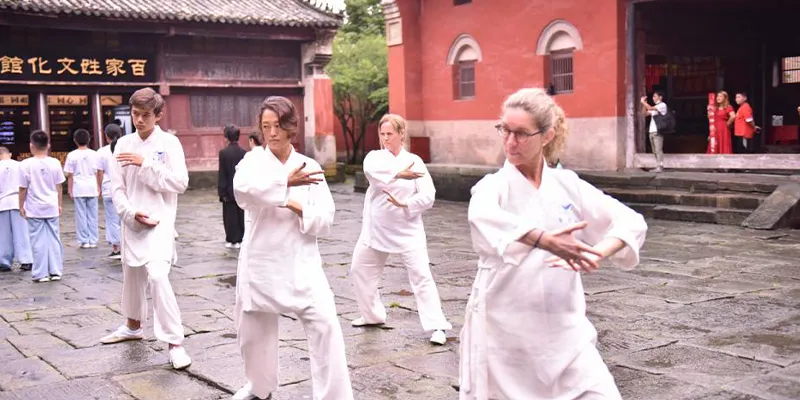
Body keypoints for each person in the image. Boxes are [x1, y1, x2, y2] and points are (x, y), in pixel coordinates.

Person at [460, 88, 647, 400]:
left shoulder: (567, 185)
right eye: (505, 130)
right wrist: (544, 240)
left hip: (565, 329)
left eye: (521, 133)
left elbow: (630, 221)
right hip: (506, 333)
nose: (510, 141)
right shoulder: (492, 187)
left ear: (546, 136)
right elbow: (482, 215)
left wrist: (596, 252)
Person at [231, 96, 353, 400]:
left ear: (290, 128)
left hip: (301, 261)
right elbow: (242, 192)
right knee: (253, 334)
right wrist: (284, 182)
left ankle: (334, 395)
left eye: (278, 126)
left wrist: (301, 209)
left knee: (326, 326)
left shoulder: (310, 167)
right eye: (265, 126)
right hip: (261, 259)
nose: (271, 133)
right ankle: (259, 387)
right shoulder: (252, 161)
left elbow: (326, 218)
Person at [99, 87, 192, 371]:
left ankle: (175, 342)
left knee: (159, 276)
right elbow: (117, 189)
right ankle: (132, 325)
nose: (139, 120)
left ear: (159, 115)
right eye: (135, 114)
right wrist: (129, 213)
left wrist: (147, 164)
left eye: (145, 115)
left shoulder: (170, 143)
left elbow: (180, 183)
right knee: (132, 276)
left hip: (161, 222)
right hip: (133, 220)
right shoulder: (123, 144)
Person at [349, 113, 451, 345]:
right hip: (376, 227)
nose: (386, 139)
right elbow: (373, 175)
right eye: (382, 134)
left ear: (401, 134)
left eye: (390, 134)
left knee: (422, 276)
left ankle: (437, 326)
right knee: (359, 271)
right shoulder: (374, 157)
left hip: (408, 230)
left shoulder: (415, 161)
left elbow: (429, 195)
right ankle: (372, 315)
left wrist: (407, 203)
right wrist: (397, 174)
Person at [18, 131, 67, 283]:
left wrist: (21, 205)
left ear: (31, 146)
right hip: (51, 205)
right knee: (54, 238)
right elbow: (59, 186)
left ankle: (40, 273)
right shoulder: (55, 163)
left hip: (34, 207)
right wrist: (59, 204)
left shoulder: (25, 164)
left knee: (37, 240)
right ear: (48, 146)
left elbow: (22, 188)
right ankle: (55, 270)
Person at [64, 128, 101, 249]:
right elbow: (98, 172)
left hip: (78, 187)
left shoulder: (72, 155)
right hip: (92, 186)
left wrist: (69, 189)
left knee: (80, 215)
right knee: (93, 214)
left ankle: (84, 240)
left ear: (75, 140)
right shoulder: (94, 154)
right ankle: (93, 239)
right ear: (89, 139)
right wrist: (99, 186)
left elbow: (70, 175)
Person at [0, 147, 33, 272]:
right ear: (10, 154)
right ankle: (26, 260)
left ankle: (4, 261)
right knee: (22, 232)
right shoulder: (20, 165)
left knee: (3, 234)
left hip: (2, 202)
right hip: (18, 201)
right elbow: (26, 184)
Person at [218, 124, 247, 249]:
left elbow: (222, 173)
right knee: (241, 214)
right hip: (241, 188)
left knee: (230, 216)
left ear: (227, 137)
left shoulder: (223, 153)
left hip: (229, 189)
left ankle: (232, 239)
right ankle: (242, 238)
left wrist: (222, 192)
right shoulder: (244, 153)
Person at [97, 124, 123, 259]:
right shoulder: (125, 149)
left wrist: (99, 188)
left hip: (108, 188)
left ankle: (116, 247)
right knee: (123, 218)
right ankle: (126, 245)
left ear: (106, 135)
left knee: (112, 219)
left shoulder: (101, 152)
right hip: (124, 188)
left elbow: (100, 173)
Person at [640, 91, 668, 172]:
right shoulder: (655, 106)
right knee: (654, 150)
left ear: (660, 97)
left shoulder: (662, 105)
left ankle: (660, 166)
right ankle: (658, 165)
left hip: (657, 131)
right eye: (653, 97)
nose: (654, 98)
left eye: (655, 96)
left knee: (658, 149)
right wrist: (644, 104)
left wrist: (643, 102)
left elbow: (650, 108)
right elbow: (644, 113)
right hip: (651, 131)